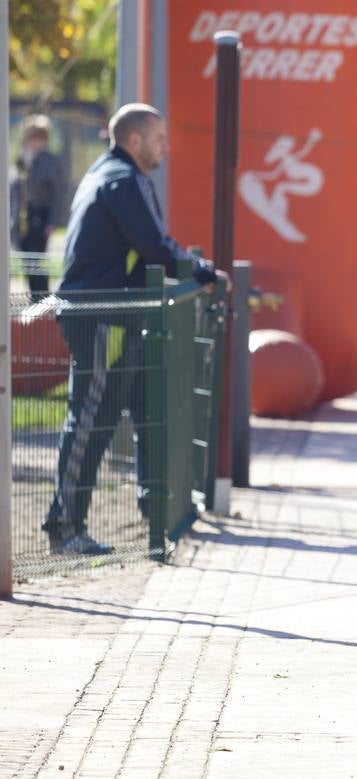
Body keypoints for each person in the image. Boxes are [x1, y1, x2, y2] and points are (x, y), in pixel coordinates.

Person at [43, 103, 221, 555]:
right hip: (106, 318)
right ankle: (65, 527)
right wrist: (202, 271)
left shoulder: (105, 173)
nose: (165, 148)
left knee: (145, 405)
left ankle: (154, 509)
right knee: (91, 419)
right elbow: (155, 246)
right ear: (135, 140)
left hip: (112, 315)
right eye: (159, 139)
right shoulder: (126, 179)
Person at [11, 115, 72, 294]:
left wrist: (54, 221)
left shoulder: (49, 161)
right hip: (23, 216)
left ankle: (41, 299)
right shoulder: (22, 159)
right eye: (31, 137)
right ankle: (33, 297)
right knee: (26, 262)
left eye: (38, 137)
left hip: (41, 215)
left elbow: (59, 193)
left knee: (37, 261)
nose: (34, 141)